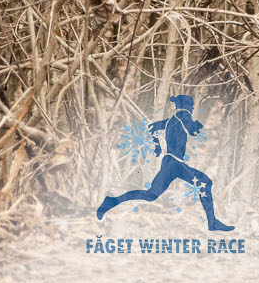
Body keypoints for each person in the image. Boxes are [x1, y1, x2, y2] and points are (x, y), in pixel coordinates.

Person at [95, 94, 235, 232]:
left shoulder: (171, 120)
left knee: (151, 195)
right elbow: (194, 131)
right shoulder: (184, 116)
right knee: (205, 182)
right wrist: (200, 121)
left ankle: (111, 201)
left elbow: (152, 127)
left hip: (169, 161)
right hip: (176, 163)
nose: (192, 109)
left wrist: (157, 146)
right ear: (187, 106)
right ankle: (212, 222)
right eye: (192, 106)